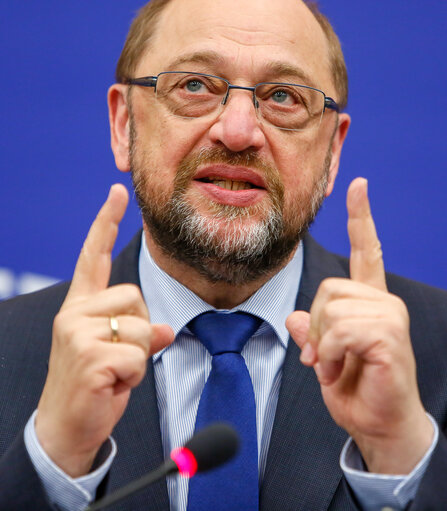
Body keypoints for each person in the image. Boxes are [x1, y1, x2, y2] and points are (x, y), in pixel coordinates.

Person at [1, 0, 446, 509]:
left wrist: (400, 460)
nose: (237, 133)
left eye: (283, 96)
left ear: (332, 152)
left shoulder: (435, 354)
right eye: (194, 85)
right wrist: (53, 464)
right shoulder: (7, 352)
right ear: (124, 123)